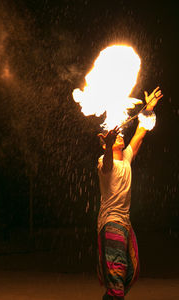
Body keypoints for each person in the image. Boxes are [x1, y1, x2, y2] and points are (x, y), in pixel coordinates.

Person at [97, 87, 163, 300]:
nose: (119, 136)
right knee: (117, 275)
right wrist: (107, 146)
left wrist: (149, 107)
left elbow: (141, 133)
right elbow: (107, 163)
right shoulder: (103, 161)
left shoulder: (126, 157)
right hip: (111, 221)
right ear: (103, 141)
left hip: (125, 222)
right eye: (111, 137)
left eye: (117, 136)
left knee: (131, 272)